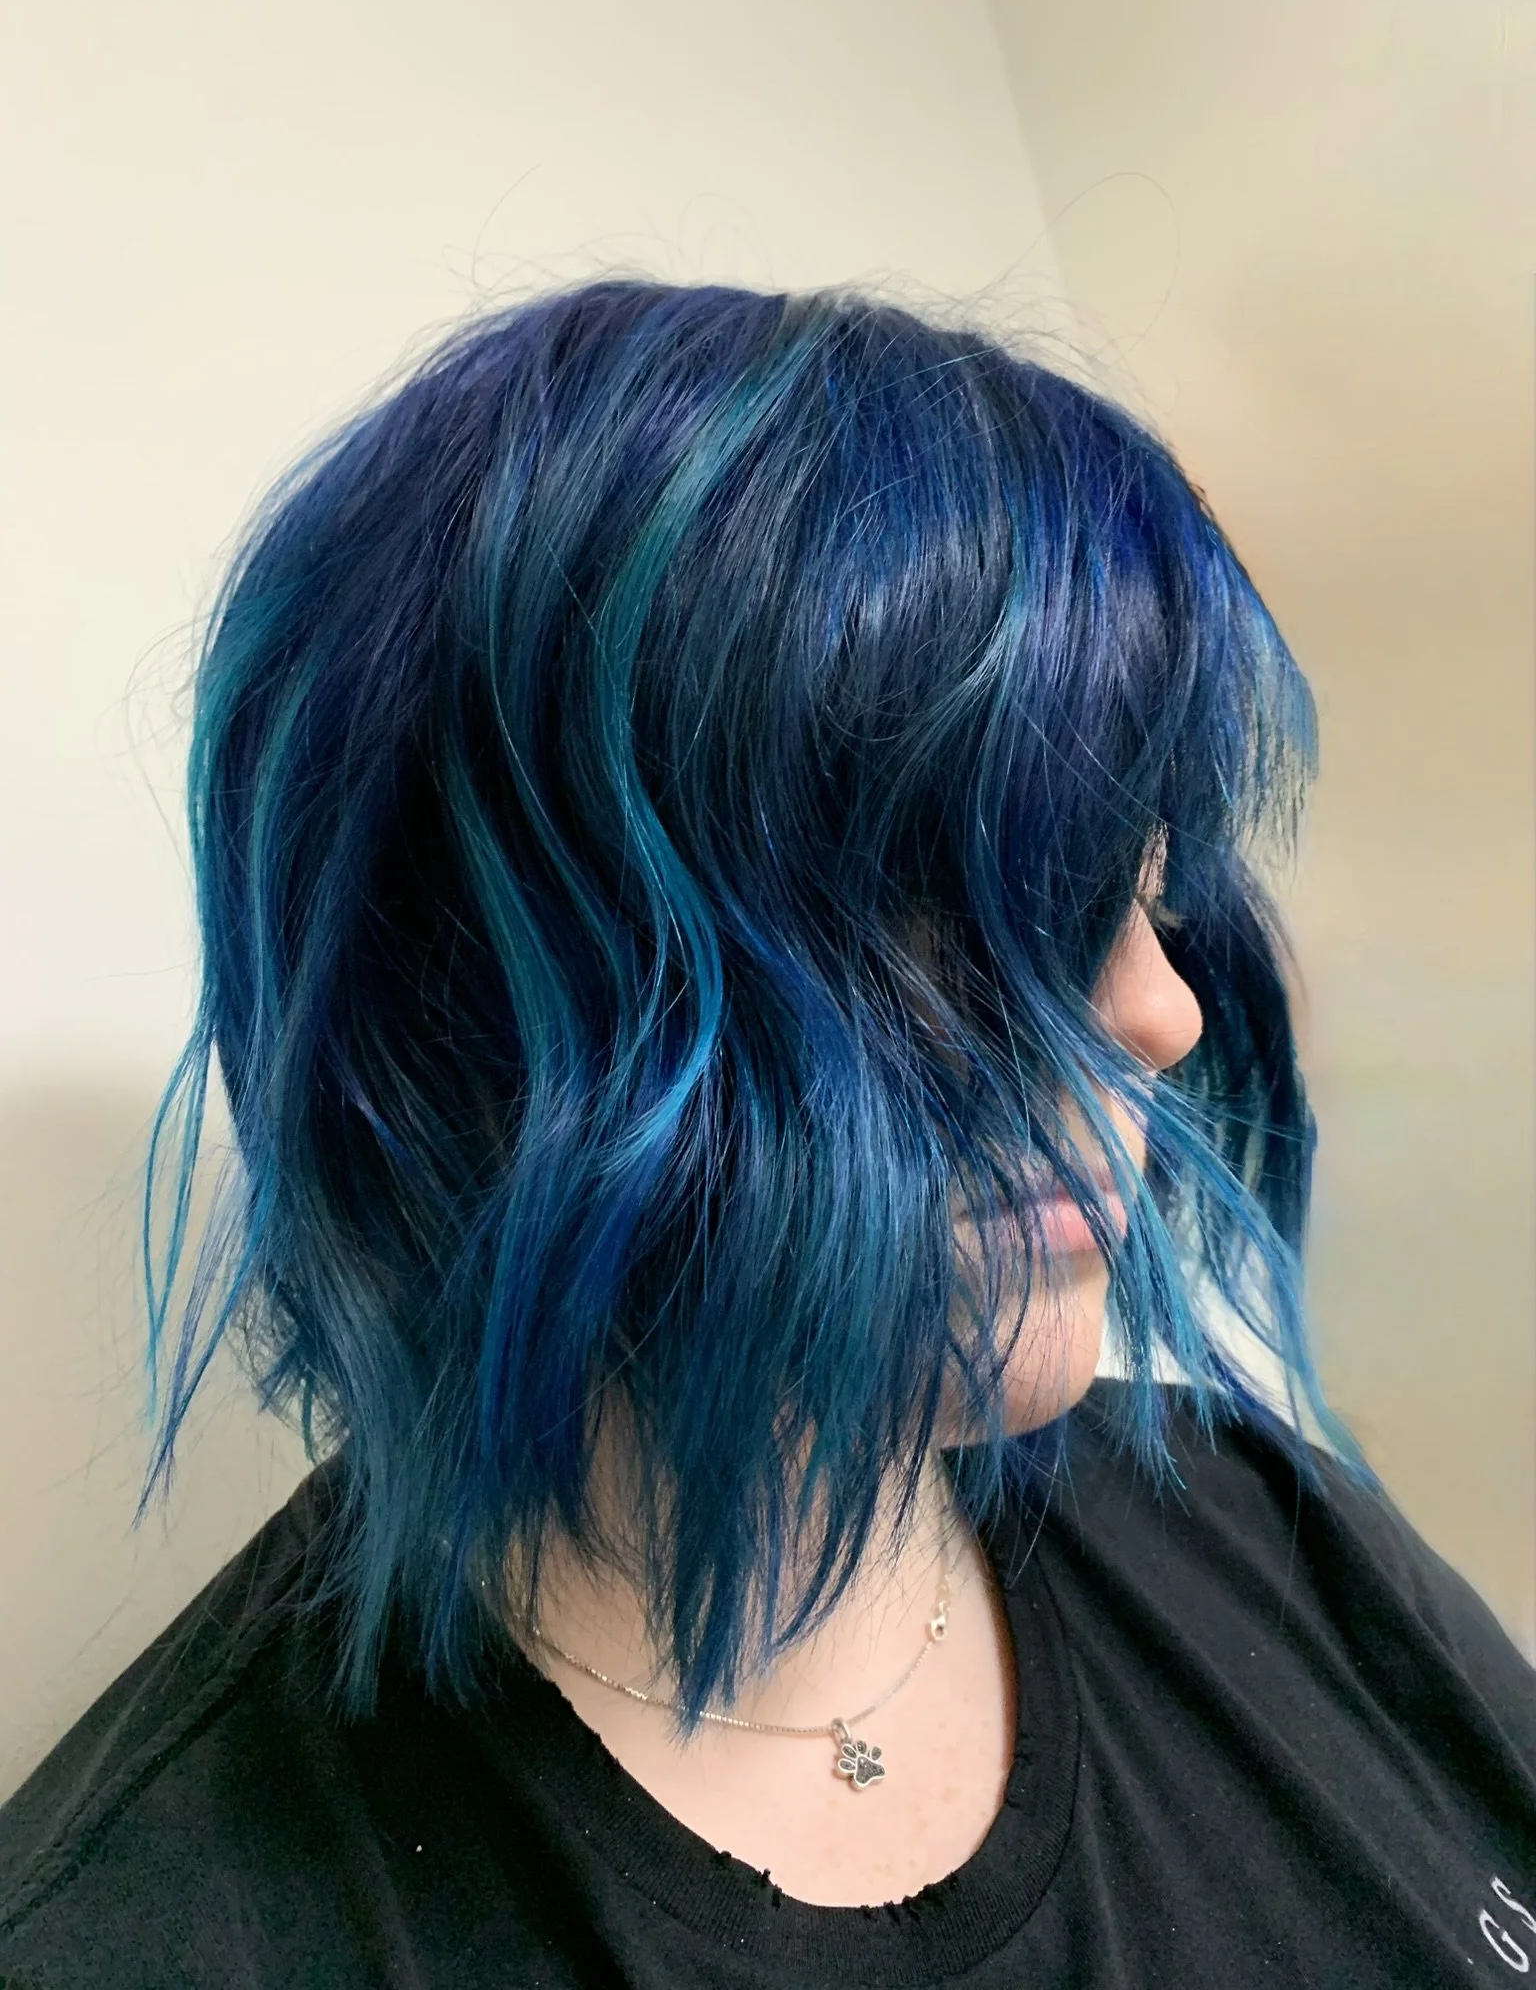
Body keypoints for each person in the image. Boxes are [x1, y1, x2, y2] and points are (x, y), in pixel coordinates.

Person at [0, 278, 1532, 1988]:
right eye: (991, 906)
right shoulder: (145, 1933)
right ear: (490, 991)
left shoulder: (1279, 1539)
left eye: (1151, 889)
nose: (1161, 1012)